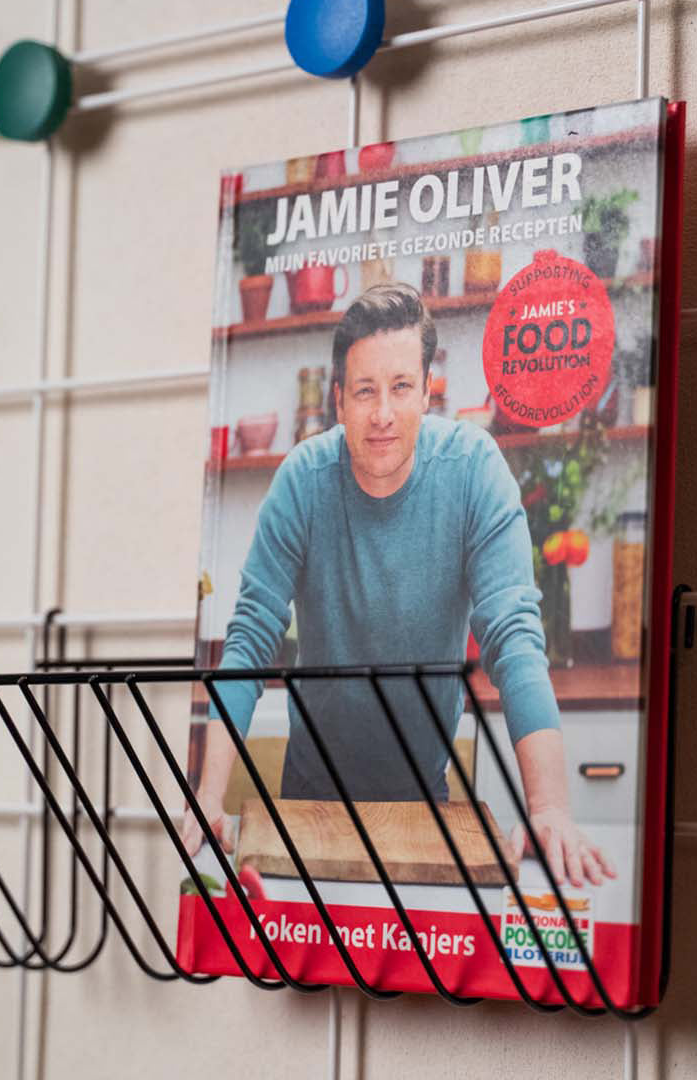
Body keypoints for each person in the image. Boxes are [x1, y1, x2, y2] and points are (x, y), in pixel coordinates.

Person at [183, 282, 615, 888]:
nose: (382, 413)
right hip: (308, 800)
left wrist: (549, 809)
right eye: (365, 390)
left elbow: (514, 638)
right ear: (338, 400)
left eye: (401, 387)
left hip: (424, 799)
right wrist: (206, 796)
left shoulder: (473, 470)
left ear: (427, 391)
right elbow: (251, 640)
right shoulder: (303, 480)